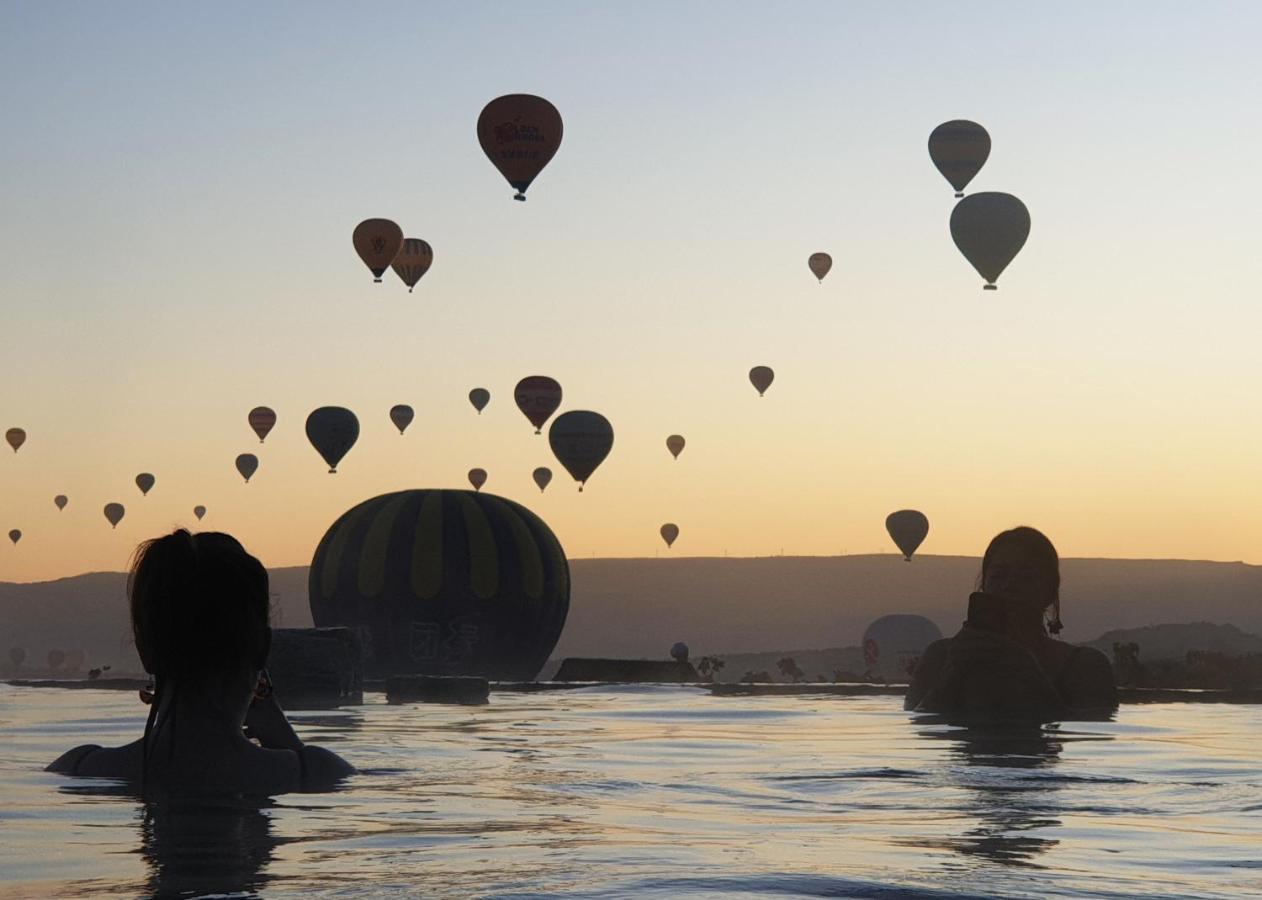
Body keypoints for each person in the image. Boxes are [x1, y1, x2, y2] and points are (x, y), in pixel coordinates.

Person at [48, 529, 353, 792]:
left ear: (145, 651)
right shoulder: (315, 772)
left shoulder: (79, 768)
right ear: (262, 649)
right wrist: (290, 746)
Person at [905, 526, 1116, 717]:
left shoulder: (1084, 665)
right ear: (983, 586)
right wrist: (952, 673)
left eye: (1026, 578)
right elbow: (917, 725)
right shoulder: (941, 655)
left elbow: (1091, 734)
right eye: (998, 576)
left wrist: (1029, 673)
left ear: (1050, 591)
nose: (1009, 586)